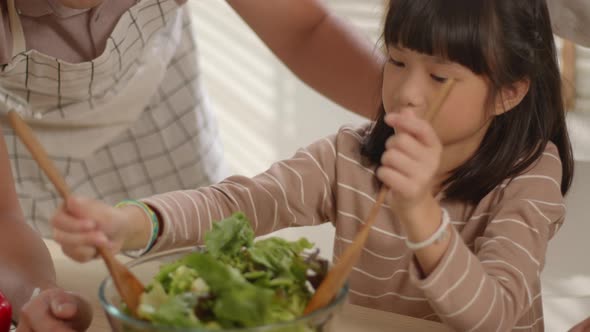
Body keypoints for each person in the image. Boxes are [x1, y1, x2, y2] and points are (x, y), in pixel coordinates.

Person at [51, 0, 575, 331]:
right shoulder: (351, 155)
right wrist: (129, 223)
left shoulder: (528, 176)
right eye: (396, 61)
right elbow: (241, 205)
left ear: (508, 93)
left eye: (440, 78)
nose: (407, 93)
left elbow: (498, 317)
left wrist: (419, 213)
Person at [0, 0, 227, 329]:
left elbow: (306, 30)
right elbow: (3, 217)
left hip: (170, 135)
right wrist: (38, 293)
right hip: (37, 201)